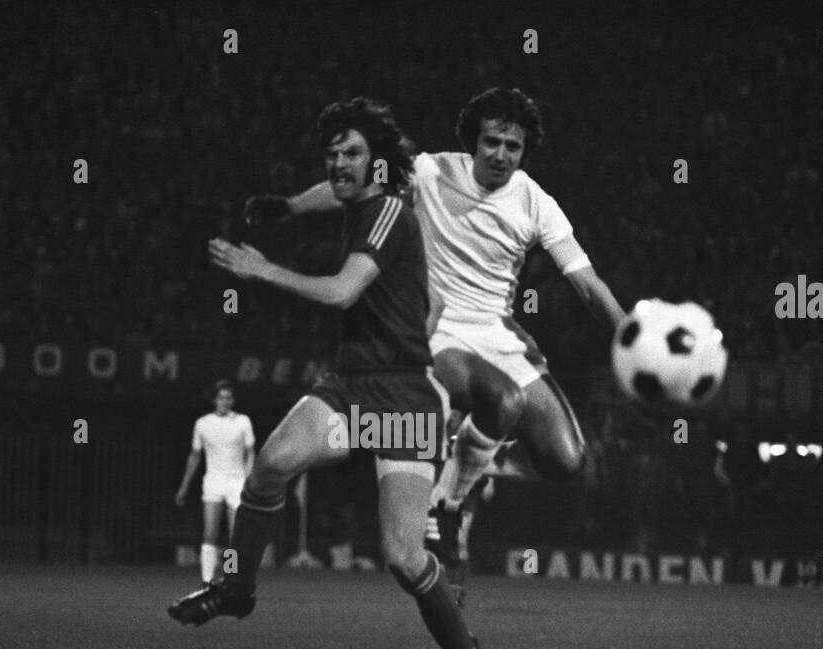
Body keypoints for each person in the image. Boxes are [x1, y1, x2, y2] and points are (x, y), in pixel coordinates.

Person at [168, 97, 494, 649]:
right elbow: (333, 190)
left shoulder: (390, 212)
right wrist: (288, 206)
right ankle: (237, 587)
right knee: (270, 467)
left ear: (376, 165)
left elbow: (343, 288)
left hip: (402, 398)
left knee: (403, 557)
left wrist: (261, 269)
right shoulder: (363, 198)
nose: (339, 164)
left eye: (351, 154)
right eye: (332, 153)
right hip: (352, 385)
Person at [249, 88, 628, 602]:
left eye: (512, 147)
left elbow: (587, 283)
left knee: (567, 460)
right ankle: (448, 503)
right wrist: (290, 207)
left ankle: (459, 483)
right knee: (504, 401)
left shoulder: (537, 202)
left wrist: (630, 334)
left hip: (499, 331)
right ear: (473, 140)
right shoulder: (427, 171)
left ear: (524, 152)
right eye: (491, 141)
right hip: (434, 326)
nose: (500, 155)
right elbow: (352, 187)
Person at [174, 380, 255, 583]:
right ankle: (207, 580)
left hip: (237, 481)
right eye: (221, 398)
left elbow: (250, 453)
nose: (225, 402)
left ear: (233, 400)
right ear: (214, 400)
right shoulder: (203, 423)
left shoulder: (243, 421)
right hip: (213, 481)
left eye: (228, 398)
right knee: (210, 533)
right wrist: (184, 486)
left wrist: (248, 481)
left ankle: (230, 577)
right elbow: (194, 456)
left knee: (235, 536)